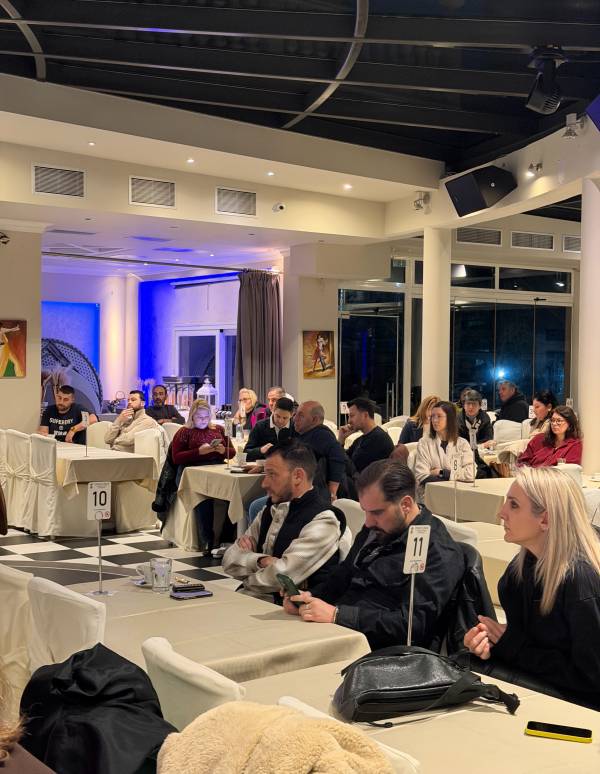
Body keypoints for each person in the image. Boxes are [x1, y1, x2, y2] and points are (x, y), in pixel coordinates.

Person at [282, 460, 464, 650]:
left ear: (406, 504)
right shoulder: (377, 529)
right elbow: (344, 575)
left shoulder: (437, 550)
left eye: (377, 513)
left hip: (380, 653)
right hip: (337, 632)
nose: (368, 522)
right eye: (365, 512)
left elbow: (412, 626)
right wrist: (310, 597)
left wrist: (338, 615)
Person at [464, 467, 600, 709]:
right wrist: (489, 643)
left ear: (545, 519)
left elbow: (591, 677)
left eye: (514, 505)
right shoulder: (522, 567)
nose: (501, 513)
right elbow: (531, 641)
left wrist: (510, 646)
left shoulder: (581, 580)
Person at [222, 443, 347, 602]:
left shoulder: (323, 520)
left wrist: (247, 572)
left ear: (298, 476)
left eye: (272, 474)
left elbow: (282, 576)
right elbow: (229, 560)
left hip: (288, 611)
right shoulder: (270, 509)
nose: (264, 483)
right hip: (252, 601)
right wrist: (261, 561)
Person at [171, 399, 235, 552]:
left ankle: (226, 538)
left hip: (215, 469)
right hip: (191, 472)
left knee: (233, 495)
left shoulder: (218, 429)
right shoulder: (184, 432)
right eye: (199, 417)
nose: (203, 420)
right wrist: (198, 452)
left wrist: (223, 450)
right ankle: (207, 540)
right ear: (192, 416)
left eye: (206, 417)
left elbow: (231, 452)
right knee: (203, 497)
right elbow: (176, 458)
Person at [414, 400, 475, 496]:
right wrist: (456, 477)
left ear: (450, 419)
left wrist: (442, 472)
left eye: (439, 416)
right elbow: (422, 476)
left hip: (459, 495)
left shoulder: (462, 444)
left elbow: (471, 474)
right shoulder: (424, 443)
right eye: (433, 416)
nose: (434, 420)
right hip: (432, 496)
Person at [292, 401, 349, 501]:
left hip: (316, 495)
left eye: (301, 415)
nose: (295, 418)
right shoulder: (304, 434)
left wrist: (332, 493)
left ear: (314, 420)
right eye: (295, 414)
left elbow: (338, 456)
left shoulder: (321, 435)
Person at [337, 398, 394, 473]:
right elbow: (342, 459)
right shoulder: (361, 439)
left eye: (352, 416)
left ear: (365, 415)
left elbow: (350, 468)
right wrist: (341, 440)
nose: (349, 421)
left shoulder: (378, 440)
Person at [517, 405, 582, 468]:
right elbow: (522, 461)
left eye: (559, 421)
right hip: (529, 473)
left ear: (569, 423)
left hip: (553, 475)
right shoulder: (539, 439)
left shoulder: (574, 445)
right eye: (552, 420)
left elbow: (570, 469)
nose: (554, 423)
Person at [244, 397, 295, 462]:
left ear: (291, 415)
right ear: (273, 410)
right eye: (278, 416)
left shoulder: (295, 427)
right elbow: (245, 454)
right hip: (264, 466)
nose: (280, 421)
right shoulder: (260, 426)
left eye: (285, 418)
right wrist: (260, 450)